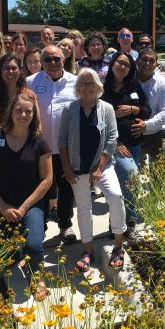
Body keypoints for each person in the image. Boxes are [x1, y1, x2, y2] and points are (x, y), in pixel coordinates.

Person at [0, 94, 52, 299]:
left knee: (34, 245)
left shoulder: (39, 141)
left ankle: (36, 275)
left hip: (30, 203)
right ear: (11, 112)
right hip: (1, 203)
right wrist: (2, 206)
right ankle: (17, 256)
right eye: (19, 110)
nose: (23, 115)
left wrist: (24, 208)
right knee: (3, 255)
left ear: (34, 114)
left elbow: (47, 180)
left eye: (28, 111)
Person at [59, 68, 126, 271]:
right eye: (83, 83)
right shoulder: (69, 109)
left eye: (91, 83)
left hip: (102, 167)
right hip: (77, 169)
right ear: (78, 87)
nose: (87, 87)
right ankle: (87, 250)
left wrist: (99, 168)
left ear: (98, 86)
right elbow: (62, 141)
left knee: (115, 197)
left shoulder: (106, 108)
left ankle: (118, 246)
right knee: (83, 209)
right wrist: (67, 170)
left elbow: (112, 139)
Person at [26, 46, 77, 243]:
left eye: (56, 58)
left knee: (66, 188)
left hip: (67, 148)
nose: (52, 62)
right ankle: (42, 226)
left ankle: (65, 225)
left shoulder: (75, 82)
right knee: (42, 189)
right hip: (40, 148)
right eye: (47, 59)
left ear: (63, 59)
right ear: (41, 61)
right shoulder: (31, 82)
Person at [102, 52, 151, 242]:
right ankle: (127, 224)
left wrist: (133, 109)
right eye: (119, 63)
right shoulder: (103, 89)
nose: (122, 67)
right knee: (131, 179)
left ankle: (116, 225)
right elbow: (98, 121)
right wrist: (115, 142)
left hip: (134, 146)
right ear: (112, 64)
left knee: (124, 188)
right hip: (114, 146)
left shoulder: (134, 86)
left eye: (127, 65)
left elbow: (147, 110)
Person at [0, 54, 35, 155]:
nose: (10, 72)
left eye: (14, 68)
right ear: (0, 71)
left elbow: (36, 126)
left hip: (24, 152)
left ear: (20, 70)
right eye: (6, 68)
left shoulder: (30, 95)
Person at [132, 47, 165, 166]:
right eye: (144, 59)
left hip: (156, 133)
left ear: (156, 64)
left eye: (152, 61)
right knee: (129, 176)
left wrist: (146, 125)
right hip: (131, 134)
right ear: (137, 61)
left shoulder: (163, 84)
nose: (147, 63)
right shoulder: (127, 81)